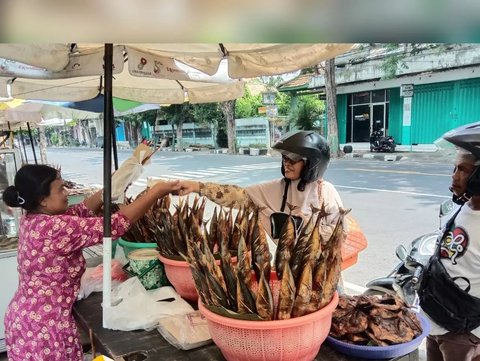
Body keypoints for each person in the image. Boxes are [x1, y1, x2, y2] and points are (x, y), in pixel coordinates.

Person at [2, 164, 180, 361]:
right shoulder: (54, 228)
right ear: (42, 200)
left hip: (24, 320)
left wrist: (111, 188)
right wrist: (156, 192)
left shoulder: (32, 219)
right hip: (45, 329)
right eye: (61, 188)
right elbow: (113, 225)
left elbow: (81, 210)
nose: (66, 192)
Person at [177, 130, 367, 266]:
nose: (286, 163)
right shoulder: (278, 188)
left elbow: (338, 238)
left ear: (312, 163)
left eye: (293, 159)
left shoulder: (325, 192)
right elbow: (238, 196)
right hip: (286, 268)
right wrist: (197, 187)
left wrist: (310, 228)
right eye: (284, 158)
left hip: (320, 274)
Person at [418, 122, 480, 361]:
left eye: (463, 170)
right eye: (454, 168)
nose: (454, 176)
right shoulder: (462, 206)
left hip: (462, 333)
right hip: (435, 320)